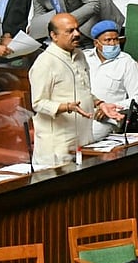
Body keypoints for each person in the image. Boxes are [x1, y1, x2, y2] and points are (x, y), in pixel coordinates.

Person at [29, 13, 123, 165]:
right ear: (54, 35)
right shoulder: (45, 62)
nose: (77, 34)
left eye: (77, 29)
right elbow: (38, 103)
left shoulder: (80, 55)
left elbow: (83, 90)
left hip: (84, 138)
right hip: (57, 145)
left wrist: (100, 104)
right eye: (70, 31)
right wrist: (66, 107)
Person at [85, 20, 138, 109]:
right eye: (108, 40)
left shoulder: (127, 62)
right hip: (81, 112)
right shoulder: (85, 57)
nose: (112, 44)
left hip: (111, 114)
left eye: (116, 39)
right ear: (96, 43)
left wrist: (113, 108)